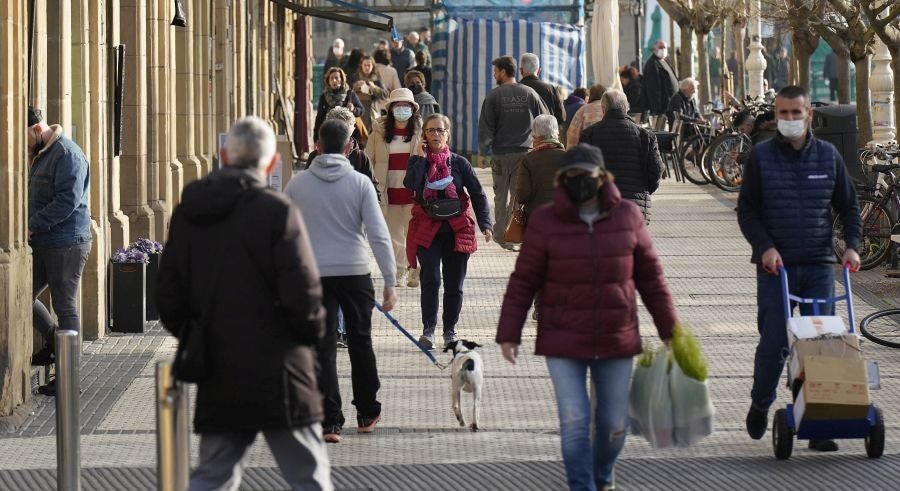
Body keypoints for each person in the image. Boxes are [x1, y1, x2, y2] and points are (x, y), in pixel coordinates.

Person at [156, 116, 332, 490]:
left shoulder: (190, 212)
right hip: (282, 365)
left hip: (218, 364)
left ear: (224, 155)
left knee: (214, 474)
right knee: (309, 475)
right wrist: (311, 337)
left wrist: (197, 333)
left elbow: (168, 295)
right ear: (270, 164)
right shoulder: (277, 211)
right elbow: (304, 294)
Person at [496, 144, 677, 491]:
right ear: (562, 180)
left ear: (602, 177)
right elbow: (524, 280)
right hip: (563, 338)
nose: (580, 182)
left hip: (616, 337)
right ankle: (583, 485)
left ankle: (603, 472)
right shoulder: (546, 221)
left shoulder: (628, 216)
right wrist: (509, 332)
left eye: (587, 175)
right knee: (576, 420)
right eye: (572, 176)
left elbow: (652, 278)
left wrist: (670, 328)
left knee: (613, 425)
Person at [738, 85, 862, 453]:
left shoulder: (828, 157)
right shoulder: (760, 158)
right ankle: (761, 403)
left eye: (796, 113)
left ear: (809, 115)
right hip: (776, 269)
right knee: (775, 343)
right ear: (775, 116)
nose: (790, 119)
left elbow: (849, 207)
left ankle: (819, 421)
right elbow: (747, 212)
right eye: (783, 113)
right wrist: (765, 248)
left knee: (820, 345)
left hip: (819, 265)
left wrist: (852, 247)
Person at [286, 119, 398, 445]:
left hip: (314, 275)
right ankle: (367, 413)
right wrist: (390, 279)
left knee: (321, 348)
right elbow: (378, 234)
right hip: (354, 271)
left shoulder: (297, 185)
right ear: (350, 147)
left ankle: (329, 422)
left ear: (317, 147)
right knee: (361, 341)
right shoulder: (361, 184)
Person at [405, 113, 493, 349]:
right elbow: (410, 186)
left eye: (440, 130)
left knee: (455, 284)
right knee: (431, 279)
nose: (436, 135)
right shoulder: (418, 161)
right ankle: (429, 330)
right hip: (427, 229)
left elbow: (477, 193)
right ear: (424, 134)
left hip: (457, 229)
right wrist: (418, 157)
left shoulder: (460, 163)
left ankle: (449, 331)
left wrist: (486, 223)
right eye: (431, 130)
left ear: (448, 134)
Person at [27, 106, 93, 397]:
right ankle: (55, 341)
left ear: (37, 131)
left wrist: (32, 225)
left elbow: (67, 201)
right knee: (20, 297)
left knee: (65, 306)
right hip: (42, 241)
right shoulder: (42, 153)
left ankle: (69, 379)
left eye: (25, 139)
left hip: (67, 241)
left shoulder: (67, 155)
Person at [478, 55, 549, 252]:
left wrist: (483, 152)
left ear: (502, 71)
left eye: (495, 72)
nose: (494, 76)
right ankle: (512, 234)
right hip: (525, 154)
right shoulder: (530, 93)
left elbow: (486, 126)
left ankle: (501, 234)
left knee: (500, 195)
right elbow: (545, 120)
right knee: (518, 196)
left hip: (501, 155)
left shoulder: (493, 96)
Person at [366, 88, 425, 287]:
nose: (402, 109)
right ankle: (399, 269)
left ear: (412, 109)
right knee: (393, 235)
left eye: (405, 105)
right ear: (390, 109)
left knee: (413, 233)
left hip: (414, 192)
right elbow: (368, 160)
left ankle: (414, 269)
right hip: (387, 191)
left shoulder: (421, 132)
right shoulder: (379, 132)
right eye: (397, 105)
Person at [581, 90, 663, 223]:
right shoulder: (645, 136)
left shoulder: (589, 134)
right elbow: (656, 169)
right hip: (634, 205)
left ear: (604, 108)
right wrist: (644, 190)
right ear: (626, 107)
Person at [306, 107, 378, 194]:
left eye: (343, 131)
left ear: (351, 130)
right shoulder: (315, 156)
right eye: (334, 130)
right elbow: (306, 187)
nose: (338, 135)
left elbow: (373, 189)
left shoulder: (361, 157)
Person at [515, 115, 566, 221]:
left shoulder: (528, 159)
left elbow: (523, 195)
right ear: (556, 132)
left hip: (536, 219)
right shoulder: (569, 157)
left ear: (534, 134)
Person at [314, 67, 362, 142]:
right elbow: (319, 118)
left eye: (336, 77)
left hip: (348, 134)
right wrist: (316, 139)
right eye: (331, 78)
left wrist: (353, 109)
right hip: (329, 133)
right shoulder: (324, 97)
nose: (334, 80)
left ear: (341, 79)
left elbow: (361, 110)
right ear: (328, 81)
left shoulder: (349, 94)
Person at [518, 53, 566, 125]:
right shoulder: (551, 89)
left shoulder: (515, 89)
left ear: (521, 70)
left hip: (523, 135)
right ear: (539, 71)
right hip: (546, 134)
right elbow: (562, 117)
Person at [641, 40, 679, 123]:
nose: (663, 49)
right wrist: (658, 111)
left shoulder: (663, 61)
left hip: (670, 108)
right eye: (660, 47)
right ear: (654, 49)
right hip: (662, 110)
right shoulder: (652, 64)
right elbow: (653, 90)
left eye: (664, 47)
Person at [351, 55, 387, 133]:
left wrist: (374, 88)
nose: (367, 67)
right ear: (361, 66)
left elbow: (385, 94)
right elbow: (348, 93)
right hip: (359, 112)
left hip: (373, 112)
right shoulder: (355, 77)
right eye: (365, 65)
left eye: (369, 65)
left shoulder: (377, 79)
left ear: (373, 66)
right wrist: (355, 87)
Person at [566, 83, 607, 148]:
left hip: (588, 153)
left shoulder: (582, 110)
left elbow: (572, 135)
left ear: (591, 95)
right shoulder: (609, 109)